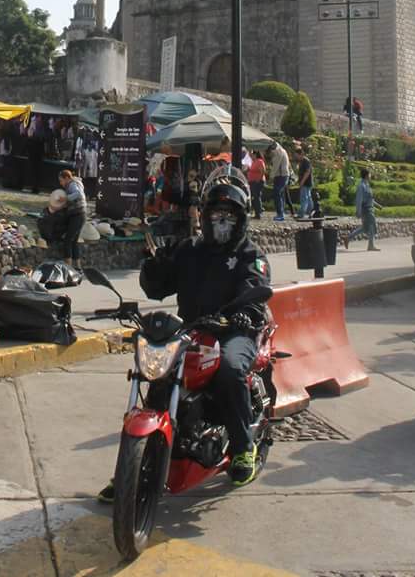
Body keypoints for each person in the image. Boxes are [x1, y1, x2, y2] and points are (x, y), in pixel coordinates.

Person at [98, 172, 272, 503]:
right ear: (205, 214)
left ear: (241, 217)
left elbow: (254, 290)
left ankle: (242, 449)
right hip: (192, 330)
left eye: (230, 213)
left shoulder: (251, 255)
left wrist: (244, 313)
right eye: (216, 212)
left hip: (235, 330)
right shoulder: (189, 249)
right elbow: (158, 287)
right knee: (159, 376)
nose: (222, 219)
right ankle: (131, 471)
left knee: (230, 370)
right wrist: (155, 264)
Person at [346, 167, 382, 250]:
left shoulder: (367, 185)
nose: (371, 176)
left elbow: (370, 199)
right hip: (366, 210)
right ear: (366, 175)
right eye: (370, 174)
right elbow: (359, 200)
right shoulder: (361, 186)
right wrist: (358, 211)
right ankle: (371, 245)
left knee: (365, 227)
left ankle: (348, 238)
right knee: (372, 226)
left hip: (370, 209)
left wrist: (377, 205)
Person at [57, 169, 86, 266]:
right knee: (74, 241)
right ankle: (78, 268)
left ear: (67, 178)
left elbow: (78, 194)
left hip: (78, 215)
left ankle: (68, 268)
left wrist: (65, 198)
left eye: (61, 181)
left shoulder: (73, 184)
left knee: (68, 240)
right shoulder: (75, 183)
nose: (61, 184)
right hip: (80, 214)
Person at [266, 140, 290, 223]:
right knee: (281, 195)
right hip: (284, 175)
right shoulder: (282, 150)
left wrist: (271, 177)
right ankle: (281, 213)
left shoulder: (277, 152)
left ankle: (280, 214)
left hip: (281, 176)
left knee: (277, 194)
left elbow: (275, 166)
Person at [246, 149, 266, 220]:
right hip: (252, 181)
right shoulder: (254, 162)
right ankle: (256, 211)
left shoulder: (259, 161)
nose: (251, 156)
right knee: (253, 197)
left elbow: (262, 171)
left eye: (252, 155)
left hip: (257, 182)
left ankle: (259, 213)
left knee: (256, 197)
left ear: (255, 155)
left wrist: (258, 179)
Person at [295, 146, 313, 220]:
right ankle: (311, 212)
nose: (296, 157)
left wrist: (302, 181)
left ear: (300, 154)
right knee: (308, 198)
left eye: (296, 155)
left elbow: (307, 172)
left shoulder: (306, 161)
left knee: (304, 198)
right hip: (307, 182)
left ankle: (302, 213)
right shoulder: (303, 161)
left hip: (306, 182)